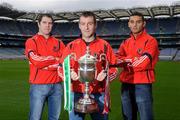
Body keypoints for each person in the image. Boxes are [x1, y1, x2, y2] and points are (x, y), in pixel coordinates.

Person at [60, 11, 117, 120]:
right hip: (76, 94)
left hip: (99, 94)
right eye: (83, 24)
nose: (86, 27)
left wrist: (106, 76)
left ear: (95, 25)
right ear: (79, 25)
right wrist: (68, 76)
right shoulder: (71, 46)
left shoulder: (105, 46)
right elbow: (60, 68)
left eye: (90, 23)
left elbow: (114, 68)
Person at [116, 12, 159, 120]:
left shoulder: (151, 41)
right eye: (132, 22)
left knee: (146, 117)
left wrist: (125, 61)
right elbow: (115, 59)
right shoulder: (125, 42)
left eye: (138, 22)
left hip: (142, 84)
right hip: (126, 85)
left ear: (144, 24)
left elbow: (144, 62)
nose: (135, 25)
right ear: (128, 24)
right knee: (128, 117)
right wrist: (131, 59)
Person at [25, 14, 65, 120]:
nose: (47, 25)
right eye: (44, 22)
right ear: (38, 24)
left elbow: (64, 62)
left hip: (57, 86)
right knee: (35, 117)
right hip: (38, 86)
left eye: (50, 23)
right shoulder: (31, 41)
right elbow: (36, 60)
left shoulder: (59, 43)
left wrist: (45, 64)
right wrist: (54, 59)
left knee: (54, 118)